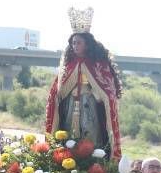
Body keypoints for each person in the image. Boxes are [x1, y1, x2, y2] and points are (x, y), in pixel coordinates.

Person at [44, 16, 122, 160]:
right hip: (70, 105)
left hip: (90, 105)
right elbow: (58, 91)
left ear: (87, 44)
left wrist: (95, 93)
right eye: (73, 43)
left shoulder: (98, 64)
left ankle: (91, 161)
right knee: (69, 133)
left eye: (78, 43)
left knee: (90, 133)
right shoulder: (69, 65)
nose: (75, 46)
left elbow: (107, 90)